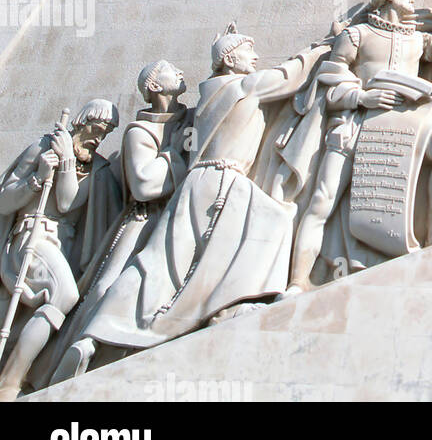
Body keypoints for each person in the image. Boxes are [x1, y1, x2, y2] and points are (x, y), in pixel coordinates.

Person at [73, 29, 329, 356]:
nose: (255, 57)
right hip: (223, 177)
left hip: (200, 181)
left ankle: (99, 331)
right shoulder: (241, 85)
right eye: (247, 50)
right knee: (274, 223)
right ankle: (217, 307)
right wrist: (321, 47)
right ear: (229, 59)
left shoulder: (208, 93)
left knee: (166, 259)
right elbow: (289, 75)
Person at [286, 0, 432, 291]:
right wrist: (361, 98)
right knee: (322, 198)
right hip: (357, 122)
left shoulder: (418, 40)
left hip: (404, 123)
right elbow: (330, 79)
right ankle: (297, 281)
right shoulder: (356, 35)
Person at [41, 63, 189, 387]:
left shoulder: (188, 120)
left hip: (176, 219)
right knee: (106, 288)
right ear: (152, 86)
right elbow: (144, 185)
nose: (179, 73)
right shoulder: (139, 131)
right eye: (169, 71)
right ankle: (80, 348)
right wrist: (175, 158)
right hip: (141, 219)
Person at [0, 100, 120, 400]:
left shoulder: (96, 167)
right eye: (97, 129)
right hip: (33, 237)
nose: (99, 138)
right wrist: (37, 179)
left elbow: (68, 201)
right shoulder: (42, 147)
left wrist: (67, 161)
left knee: (62, 301)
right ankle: (10, 379)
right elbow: (4, 201)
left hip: (62, 248)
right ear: (82, 122)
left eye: (105, 134)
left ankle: (19, 374)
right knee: (64, 295)